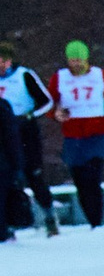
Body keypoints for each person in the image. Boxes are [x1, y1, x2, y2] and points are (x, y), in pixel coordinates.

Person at [51, 40, 104, 228]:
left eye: (79, 60)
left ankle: (97, 221)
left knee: (92, 179)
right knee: (80, 183)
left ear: (86, 59)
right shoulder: (59, 78)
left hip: (96, 135)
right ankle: (93, 220)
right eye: (72, 60)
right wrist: (55, 113)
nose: (76, 64)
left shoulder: (100, 75)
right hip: (72, 137)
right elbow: (49, 103)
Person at [0, 37, 58, 236]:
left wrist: (29, 116)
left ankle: (49, 217)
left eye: (3, 60)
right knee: (7, 178)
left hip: (26, 132)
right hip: (4, 134)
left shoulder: (24, 75)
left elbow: (46, 101)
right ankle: (9, 223)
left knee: (34, 175)